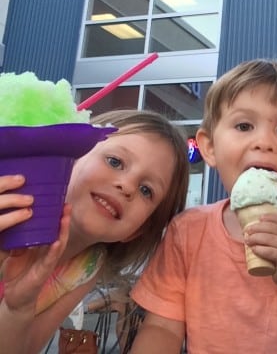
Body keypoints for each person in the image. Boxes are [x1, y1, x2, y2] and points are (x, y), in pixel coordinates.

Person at [129, 59, 277, 353]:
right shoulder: (187, 232)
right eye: (244, 125)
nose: (263, 142)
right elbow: (161, 328)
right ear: (209, 147)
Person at [0, 109, 189, 353]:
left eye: (146, 190)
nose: (128, 186)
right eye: (115, 162)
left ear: (136, 231)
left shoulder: (87, 266)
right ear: (71, 156)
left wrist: (17, 310)